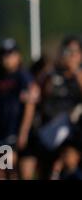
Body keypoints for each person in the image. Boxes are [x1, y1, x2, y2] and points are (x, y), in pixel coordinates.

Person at [0, 39, 39, 180]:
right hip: (0, 134)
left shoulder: (23, 77)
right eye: (3, 55)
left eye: (10, 54)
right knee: (6, 170)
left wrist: (23, 133)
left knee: (7, 169)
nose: (6, 58)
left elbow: (30, 106)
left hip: (14, 134)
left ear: (18, 56)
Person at [38, 35, 82, 178]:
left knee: (69, 160)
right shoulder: (53, 75)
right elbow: (42, 93)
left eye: (73, 52)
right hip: (51, 130)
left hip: (74, 132)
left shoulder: (79, 75)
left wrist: (75, 71)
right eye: (67, 52)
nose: (70, 56)